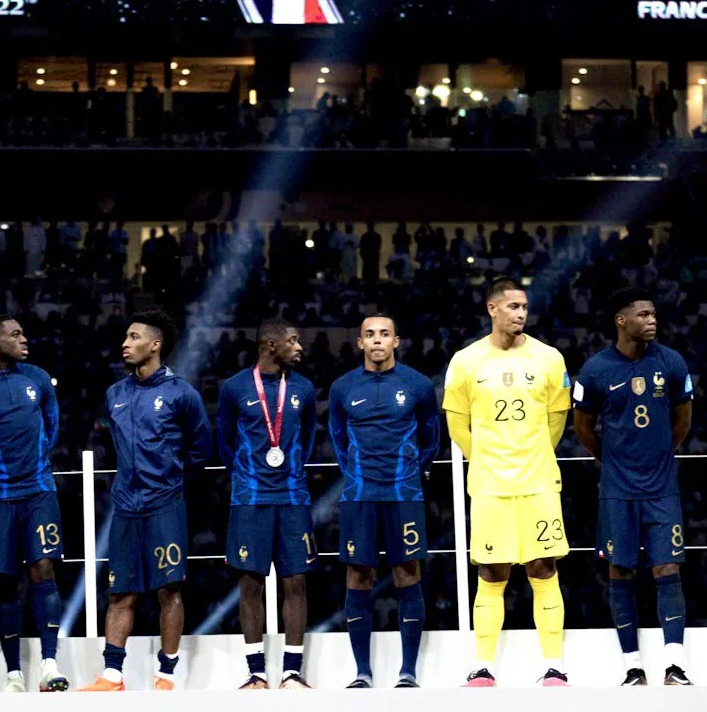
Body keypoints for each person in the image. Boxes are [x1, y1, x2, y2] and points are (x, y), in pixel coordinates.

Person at [442, 278, 572, 687]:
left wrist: (532, 454)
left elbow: (557, 419)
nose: (520, 313)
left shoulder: (550, 358)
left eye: (524, 306)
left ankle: (555, 665)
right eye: (512, 306)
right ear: (492, 309)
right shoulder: (465, 361)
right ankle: (484, 666)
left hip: (538, 481)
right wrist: (487, 457)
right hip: (490, 484)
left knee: (544, 567)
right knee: (492, 572)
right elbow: (457, 423)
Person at [80, 311, 209, 691]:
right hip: (125, 506)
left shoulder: (182, 394)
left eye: (133, 336)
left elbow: (201, 449)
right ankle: (112, 674)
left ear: (154, 345)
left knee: (169, 589)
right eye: (125, 336)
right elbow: (106, 441)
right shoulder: (115, 394)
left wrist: (175, 486)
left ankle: (166, 674)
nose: (125, 343)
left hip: (165, 504)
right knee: (121, 591)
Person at [572, 288, 695, 686]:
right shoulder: (595, 370)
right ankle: (632, 667)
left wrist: (658, 456)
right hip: (617, 489)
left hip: (661, 487)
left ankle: (675, 665)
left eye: (654, 313)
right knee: (620, 570)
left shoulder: (671, 362)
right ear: (622, 321)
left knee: (667, 567)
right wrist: (614, 462)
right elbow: (583, 429)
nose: (652, 320)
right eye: (643, 314)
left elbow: (683, 421)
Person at [326, 315, 439, 688]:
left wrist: (407, 474)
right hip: (359, 496)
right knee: (359, 575)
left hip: (404, 495)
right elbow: (339, 442)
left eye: (384, 334)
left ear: (396, 341)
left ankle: (408, 671)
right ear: (359, 342)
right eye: (370, 335)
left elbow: (430, 440)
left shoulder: (418, 385)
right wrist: (361, 476)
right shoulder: (342, 387)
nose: (377, 340)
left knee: (408, 573)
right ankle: (362, 672)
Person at [0, 316, 70, 693]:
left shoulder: (37, 379)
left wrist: (34, 463)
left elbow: (51, 429)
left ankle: (49, 665)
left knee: (44, 569)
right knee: (4, 581)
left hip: (38, 491)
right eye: (16, 334)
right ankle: (13, 674)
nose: (24, 339)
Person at [220, 320, 319, 689]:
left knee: (296, 581)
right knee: (250, 582)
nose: (299, 348)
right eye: (293, 341)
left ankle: (292, 670)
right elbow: (225, 443)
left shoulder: (304, 389)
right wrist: (250, 475)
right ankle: (256, 672)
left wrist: (289, 469)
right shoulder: (234, 388)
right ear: (271, 345)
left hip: (293, 496)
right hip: (250, 498)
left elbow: (308, 437)